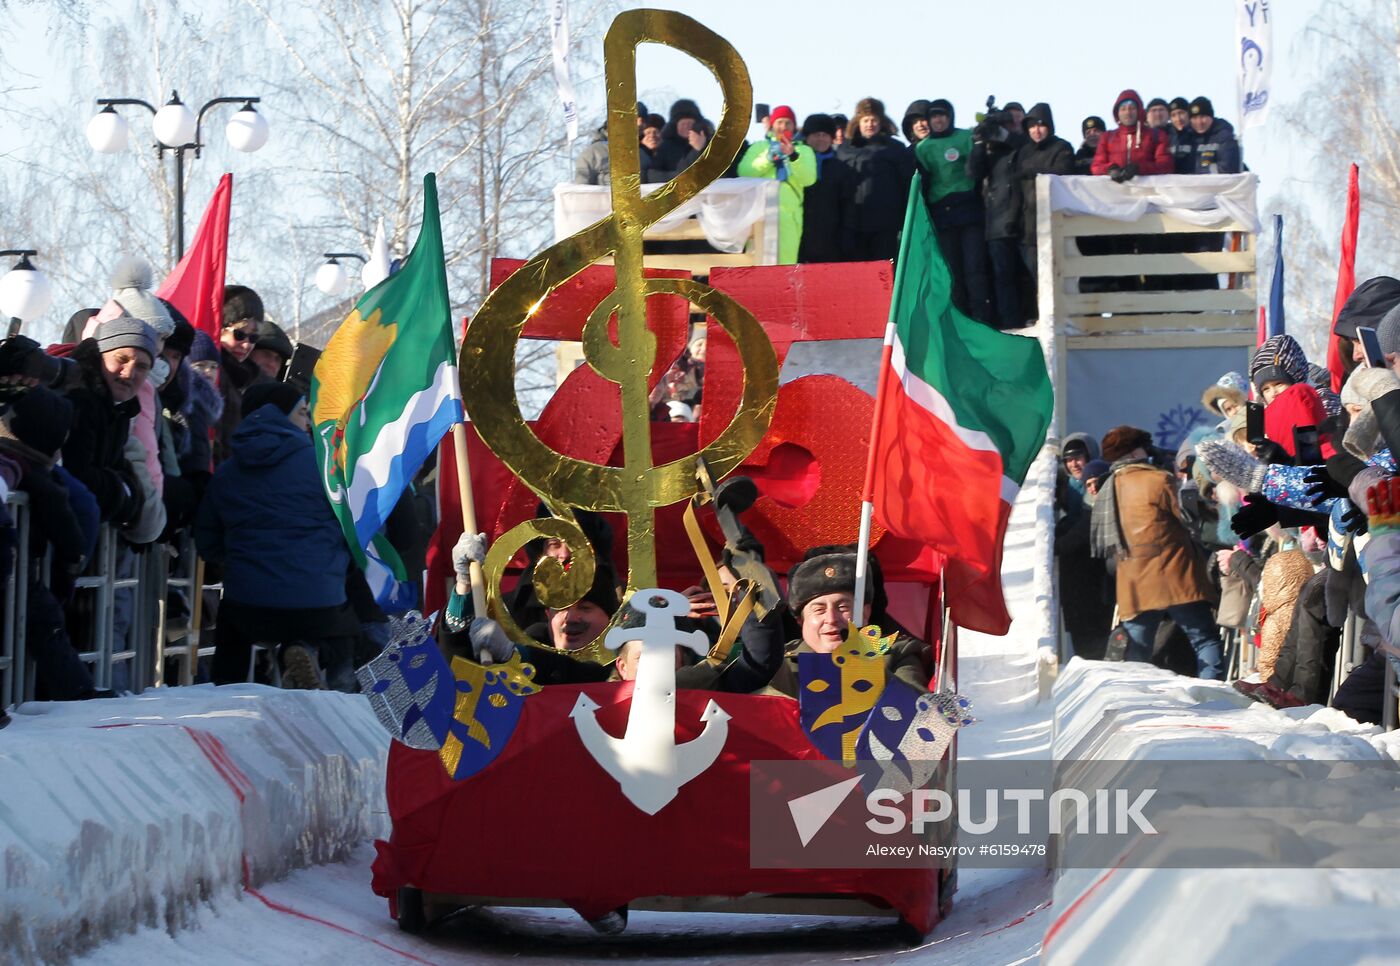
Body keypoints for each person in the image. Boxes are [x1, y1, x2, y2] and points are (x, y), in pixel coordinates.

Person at [195, 381, 362, 690]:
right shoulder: (324, 469)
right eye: (302, 413)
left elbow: (206, 539)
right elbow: (353, 533)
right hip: (319, 605)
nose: (308, 422)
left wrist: (235, 562)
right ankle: (324, 669)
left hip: (248, 609)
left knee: (233, 613)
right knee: (346, 621)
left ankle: (226, 687)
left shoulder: (228, 472)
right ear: (277, 415)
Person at [1090, 425, 1224, 678]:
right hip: (1175, 575)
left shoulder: (1108, 489)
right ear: (1132, 452)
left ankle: (1137, 702)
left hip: (1134, 582)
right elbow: (1188, 518)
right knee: (1204, 639)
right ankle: (1213, 695)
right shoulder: (1158, 479)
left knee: (1136, 649)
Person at [768, 550, 932, 697]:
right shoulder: (781, 664)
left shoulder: (897, 653)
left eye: (843, 607)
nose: (831, 618)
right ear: (801, 620)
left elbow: (919, 712)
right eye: (819, 610)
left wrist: (866, 668)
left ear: (865, 613)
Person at [58, 317, 154, 528]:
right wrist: (123, 491)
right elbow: (79, 475)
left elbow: (118, 470)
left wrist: (128, 492)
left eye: (141, 366)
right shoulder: (80, 400)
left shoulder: (118, 410)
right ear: (100, 356)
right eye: (122, 358)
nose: (129, 373)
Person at [914, 98, 991, 323]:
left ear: (950, 117)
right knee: (952, 270)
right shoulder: (923, 148)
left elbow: (978, 170)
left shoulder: (964, 137)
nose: (938, 120)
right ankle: (959, 318)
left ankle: (981, 318)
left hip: (968, 208)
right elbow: (924, 182)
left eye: (942, 115)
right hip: (942, 213)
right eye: (934, 116)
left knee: (974, 266)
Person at [968, 101, 1029, 329]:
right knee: (1002, 277)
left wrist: (1006, 137)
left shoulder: (1025, 144)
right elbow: (973, 172)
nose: (1012, 124)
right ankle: (1009, 324)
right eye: (1007, 120)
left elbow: (1028, 154)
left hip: (1025, 219)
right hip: (998, 219)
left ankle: (1030, 318)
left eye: (1015, 119)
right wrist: (979, 143)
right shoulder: (992, 150)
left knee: (1028, 275)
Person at [736, 105, 817, 264]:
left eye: (788, 123)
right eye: (780, 122)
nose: (784, 127)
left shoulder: (804, 150)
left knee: (785, 264)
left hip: (788, 216)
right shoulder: (759, 147)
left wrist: (793, 156)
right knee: (756, 262)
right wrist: (767, 158)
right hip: (759, 214)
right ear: (773, 125)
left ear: (794, 127)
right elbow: (744, 171)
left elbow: (809, 179)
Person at [836, 97, 914, 260]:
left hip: (885, 222)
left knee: (884, 267)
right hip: (853, 222)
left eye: (874, 120)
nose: (870, 124)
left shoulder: (895, 148)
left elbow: (907, 182)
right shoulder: (844, 150)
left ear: (881, 122)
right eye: (866, 120)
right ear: (858, 122)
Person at [1014, 103, 1075, 285]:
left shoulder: (1061, 147)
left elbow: (1062, 171)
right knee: (1036, 276)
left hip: (1054, 219)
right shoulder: (1023, 152)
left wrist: (1034, 172)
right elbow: (1017, 187)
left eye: (1040, 125)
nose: (1036, 130)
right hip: (1028, 224)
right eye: (1032, 126)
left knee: (1057, 273)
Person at [797, 113, 854, 264]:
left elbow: (847, 206)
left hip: (831, 238)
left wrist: (846, 237)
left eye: (825, 135)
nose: (821, 139)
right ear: (807, 137)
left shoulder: (841, 168)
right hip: (800, 237)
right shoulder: (796, 164)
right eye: (816, 135)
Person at [1090, 90, 1174, 180]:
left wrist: (1139, 168)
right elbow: (1096, 166)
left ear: (1139, 111)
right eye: (1123, 109)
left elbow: (1165, 165)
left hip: (1148, 192)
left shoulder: (1157, 135)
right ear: (1117, 113)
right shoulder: (1107, 138)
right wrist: (1110, 169)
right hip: (1113, 192)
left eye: (1132, 108)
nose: (1128, 112)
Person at [575, 102, 649, 185]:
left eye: (643, 120)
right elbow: (581, 192)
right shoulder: (593, 154)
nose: (639, 124)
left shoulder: (643, 154)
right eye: (633, 119)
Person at [1176, 97, 1241, 175]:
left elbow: (1228, 167)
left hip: (1217, 185)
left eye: (1203, 117)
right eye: (1195, 118)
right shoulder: (1186, 137)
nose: (1199, 122)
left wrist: (1198, 173)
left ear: (1211, 117)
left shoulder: (1224, 136)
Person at [651, 98, 710, 182]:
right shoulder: (666, 147)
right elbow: (652, 175)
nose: (686, 127)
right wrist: (680, 176)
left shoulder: (710, 142)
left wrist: (700, 149)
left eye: (689, 124)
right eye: (682, 124)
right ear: (675, 126)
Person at [638, 112, 666, 182]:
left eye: (656, 132)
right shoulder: (635, 158)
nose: (652, 136)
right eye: (648, 132)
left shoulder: (672, 156)